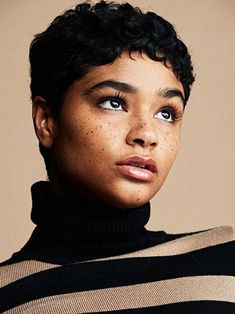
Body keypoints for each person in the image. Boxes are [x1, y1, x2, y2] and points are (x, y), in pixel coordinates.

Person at [0, 1, 234, 313]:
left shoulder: (224, 259)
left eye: (166, 113)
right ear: (46, 120)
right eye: (113, 102)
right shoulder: (8, 294)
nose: (146, 134)